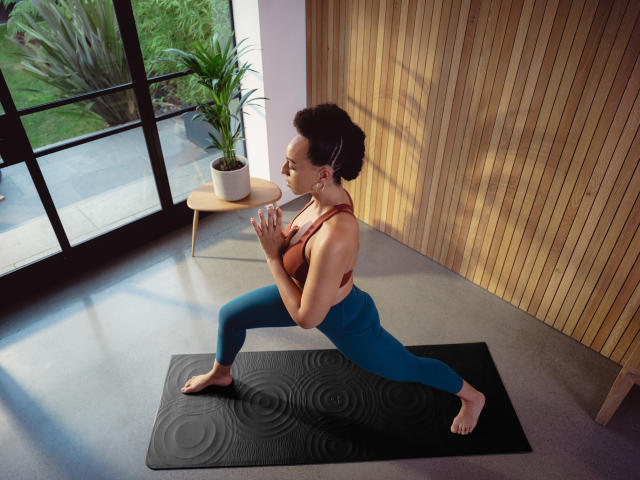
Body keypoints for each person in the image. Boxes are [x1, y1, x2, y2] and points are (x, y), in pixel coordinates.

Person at [181, 103, 485, 435]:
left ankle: (473, 398)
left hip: (343, 318)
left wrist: (272, 256)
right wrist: (280, 241)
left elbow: (307, 319)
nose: (283, 169)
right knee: (231, 315)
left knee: (405, 367)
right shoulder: (320, 196)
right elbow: (302, 258)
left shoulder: (337, 234)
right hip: (307, 293)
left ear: (323, 174)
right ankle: (221, 373)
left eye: (293, 165)